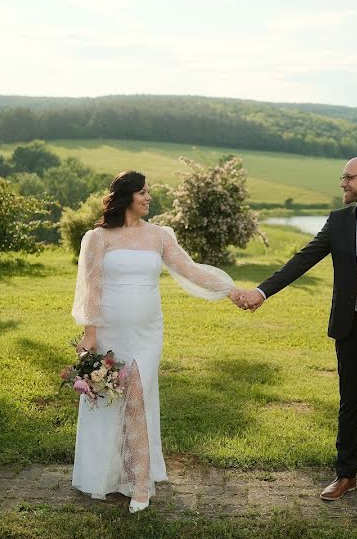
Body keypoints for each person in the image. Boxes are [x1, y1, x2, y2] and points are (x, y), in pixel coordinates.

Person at [232, 155, 357, 508]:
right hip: (348, 328)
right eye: (342, 177)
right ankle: (345, 475)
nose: (343, 183)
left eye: (349, 177)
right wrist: (262, 292)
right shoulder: (337, 222)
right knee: (350, 402)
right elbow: (302, 259)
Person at [71, 170, 241, 513]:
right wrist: (90, 333)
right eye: (143, 193)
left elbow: (191, 270)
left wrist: (232, 290)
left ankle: (140, 482)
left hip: (148, 333)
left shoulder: (159, 236)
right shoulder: (98, 238)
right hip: (110, 331)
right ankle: (110, 474)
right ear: (127, 196)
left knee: (137, 397)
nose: (149, 198)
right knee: (110, 400)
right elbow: (92, 288)